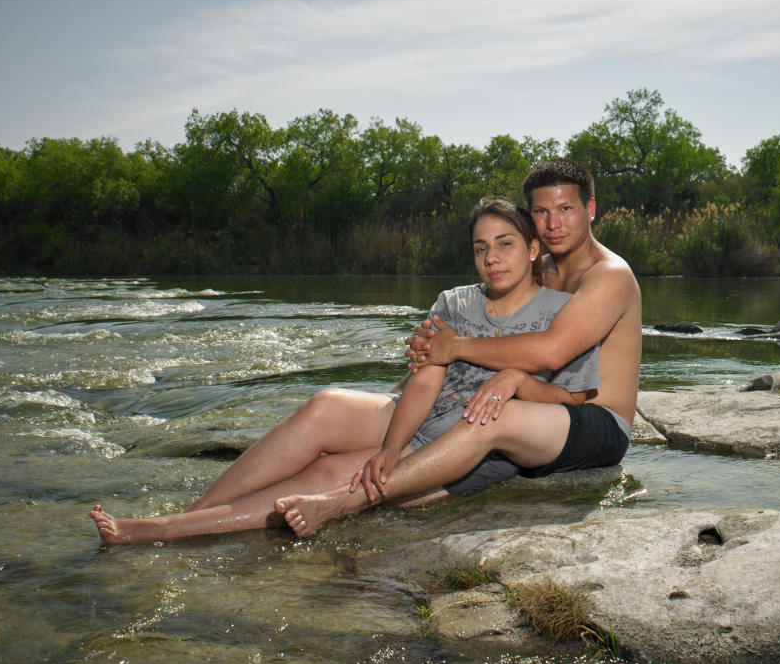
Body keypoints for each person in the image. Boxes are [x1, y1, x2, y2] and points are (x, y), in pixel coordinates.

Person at [90, 197, 599, 544]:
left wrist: (514, 381)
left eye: (505, 243)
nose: (492, 258)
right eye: (480, 247)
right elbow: (426, 373)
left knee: (327, 475)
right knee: (327, 404)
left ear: (534, 249)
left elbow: (574, 401)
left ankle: (164, 533)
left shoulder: (561, 309)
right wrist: (391, 447)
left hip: (465, 435)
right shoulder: (454, 300)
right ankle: (191, 513)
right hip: (415, 413)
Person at [275, 157, 641, 537]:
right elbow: (491, 330)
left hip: (596, 422)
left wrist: (454, 347)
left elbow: (550, 351)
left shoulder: (609, 274)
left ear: (591, 209)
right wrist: (426, 358)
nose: (553, 223)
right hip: (535, 412)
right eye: (541, 211)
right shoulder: (537, 268)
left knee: (492, 416)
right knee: (413, 451)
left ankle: (344, 502)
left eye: (566, 209)